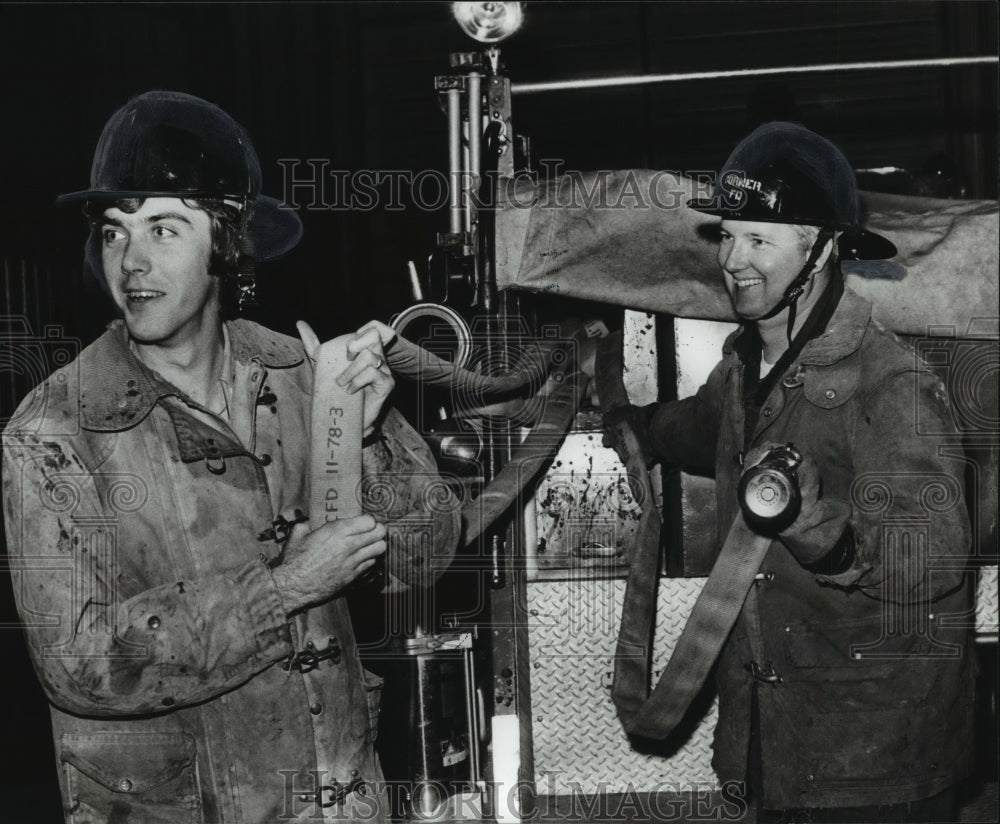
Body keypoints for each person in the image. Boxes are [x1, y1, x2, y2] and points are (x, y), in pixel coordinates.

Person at [2, 90, 459, 823]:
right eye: (115, 232)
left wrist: (368, 439)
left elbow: (427, 558)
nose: (133, 261)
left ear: (227, 242)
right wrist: (282, 589)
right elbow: (77, 664)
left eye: (164, 228)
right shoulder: (56, 430)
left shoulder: (306, 375)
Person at [600, 122, 975, 822]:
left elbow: (935, 554)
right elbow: (703, 426)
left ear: (825, 249)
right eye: (728, 235)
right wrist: (637, 426)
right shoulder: (747, 364)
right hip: (773, 745)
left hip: (872, 762)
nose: (734, 260)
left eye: (761, 240)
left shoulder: (890, 382)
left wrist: (821, 532)